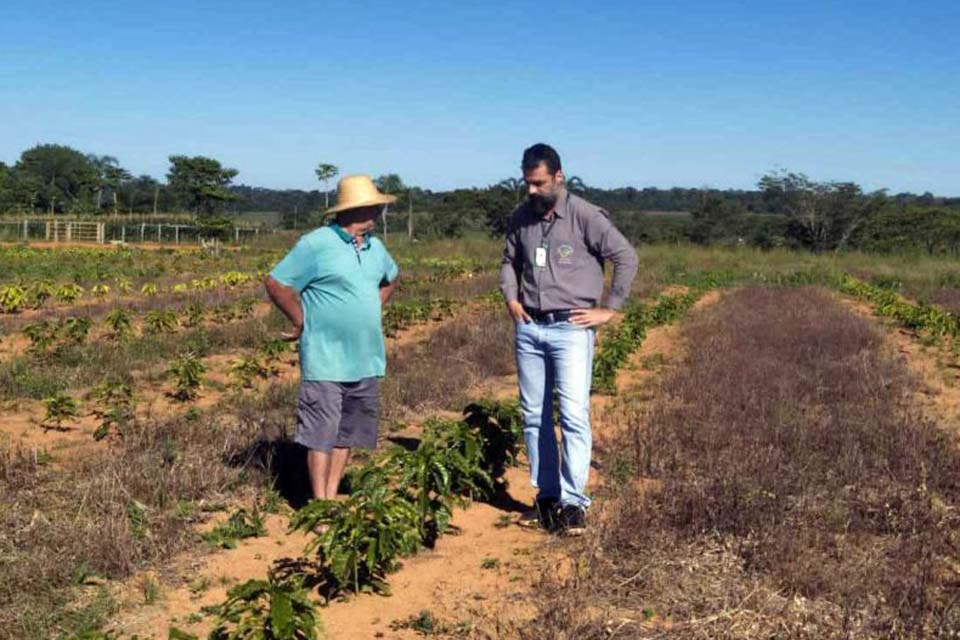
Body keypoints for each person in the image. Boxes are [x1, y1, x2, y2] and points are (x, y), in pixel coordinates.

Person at [499, 143, 639, 535]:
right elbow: (509, 261)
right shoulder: (520, 218)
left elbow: (626, 256)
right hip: (530, 327)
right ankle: (545, 498)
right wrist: (510, 297)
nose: (531, 191)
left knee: (574, 415)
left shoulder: (585, 216)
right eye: (527, 183)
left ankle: (574, 503)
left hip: (571, 328)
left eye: (538, 183)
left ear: (559, 177)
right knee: (533, 416)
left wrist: (609, 307)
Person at [265, 175, 399, 500]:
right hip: (325, 357)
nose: (377, 214)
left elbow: (391, 278)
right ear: (351, 211)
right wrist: (300, 320)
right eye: (371, 208)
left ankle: (332, 494)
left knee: (347, 433)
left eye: (377, 208)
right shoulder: (316, 244)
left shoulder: (375, 247)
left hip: (365, 357)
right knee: (321, 434)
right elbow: (277, 283)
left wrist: (371, 307)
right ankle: (320, 504)